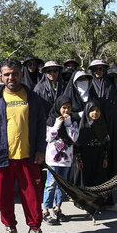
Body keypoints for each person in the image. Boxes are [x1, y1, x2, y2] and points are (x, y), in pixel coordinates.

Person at [0, 58, 48, 233]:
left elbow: (41, 124)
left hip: (28, 157)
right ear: (0, 76)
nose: (11, 77)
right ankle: (10, 227)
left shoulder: (32, 98)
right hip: (3, 158)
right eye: (7, 74)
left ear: (21, 74)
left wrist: (41, 150)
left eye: (15, 73)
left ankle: (35, 228)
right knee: (5, 197)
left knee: (33, 197)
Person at [88, 59, 117, 212]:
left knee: (108, 168)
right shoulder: (88, 86)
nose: (98, 72)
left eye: (101, 69)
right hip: (92, 134)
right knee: (93, 168)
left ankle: (108, 201)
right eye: (95, 69)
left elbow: (114, 112)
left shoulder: (110, 87)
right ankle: (91, 202)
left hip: (109, 135)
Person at [43, 95, 79, 224]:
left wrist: (68, 124)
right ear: (59, 107)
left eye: (69, 107)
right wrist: (57, 125)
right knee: (50, 184)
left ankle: (57, 207)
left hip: (66, 159)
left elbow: (74, 138)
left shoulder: (73, 121)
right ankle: (45, 209)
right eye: (64, 107)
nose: (66, 111)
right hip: (53, 159)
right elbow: (48, 138)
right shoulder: (52, 119)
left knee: (62, 185)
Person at [72, 101, 110, 188]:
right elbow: (77, 145)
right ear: (87, 112)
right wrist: (78, 160)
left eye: (97, 110)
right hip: (85, 159)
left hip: (98, 157)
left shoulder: (102, 125)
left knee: (99, 180)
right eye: (92, 110)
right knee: (85, 181)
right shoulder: (82, 127)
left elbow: (105, 144)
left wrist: (105, 158)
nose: (95, 113)